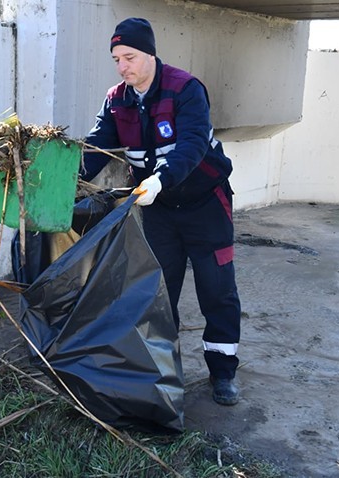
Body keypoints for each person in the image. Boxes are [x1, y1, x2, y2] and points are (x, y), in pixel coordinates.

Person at [80, 18, 242, 407]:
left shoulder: (185, 89)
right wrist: (65, 174)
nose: (123, 67)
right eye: (117, 59)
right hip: (160, 211)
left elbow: (190, 146)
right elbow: (97, 148)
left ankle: (222, 373)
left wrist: (159, 180)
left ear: (150, 53)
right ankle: (162, 372)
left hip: (206, 205)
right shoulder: (117, 98)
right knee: (158, 292)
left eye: (130, 57)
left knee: (216, 290)